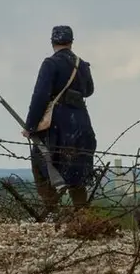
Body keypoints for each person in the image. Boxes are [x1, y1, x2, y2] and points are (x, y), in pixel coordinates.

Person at [22, 25, 97, 217]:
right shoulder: (82, 64)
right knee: (77, 168)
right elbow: (89, 91)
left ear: (52, 42)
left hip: (57, 125)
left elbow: (40, 95)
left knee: (41, 161)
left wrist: (30, 126)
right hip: (81, 122)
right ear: (71, 42)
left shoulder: (50, 64)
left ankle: (52, 212)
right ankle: (82, 214)